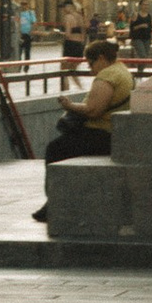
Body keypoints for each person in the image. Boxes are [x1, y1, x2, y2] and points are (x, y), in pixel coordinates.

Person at [34, 29, 137, 221]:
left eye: (91, 64)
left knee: (54, 149)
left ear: (100, 58)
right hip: (114, 133)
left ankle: (53, 203)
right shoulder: (122, 70)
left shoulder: (107, 76)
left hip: (102, 134)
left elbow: (93, 111)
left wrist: (70, 105)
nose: (90, 69)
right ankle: (55, 201)